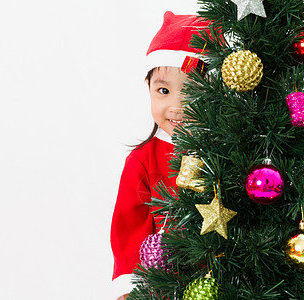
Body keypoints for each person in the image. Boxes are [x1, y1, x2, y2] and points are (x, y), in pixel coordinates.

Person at [110, 11, 212, 300]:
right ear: (149, 89)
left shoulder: (230, 153)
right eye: (164, 90)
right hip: (165, 287)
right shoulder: (143, 161)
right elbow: (127, 230)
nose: (176, 106)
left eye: (191, 91)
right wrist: (130, 289)